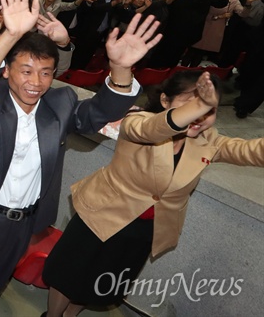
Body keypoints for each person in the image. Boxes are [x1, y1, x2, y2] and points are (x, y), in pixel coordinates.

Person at [0, 0, 162, 317]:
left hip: (20, 224)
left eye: (45, 73)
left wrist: (121, 69)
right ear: (7, 71)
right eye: (25, 71)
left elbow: (97, 113)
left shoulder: (59, 103)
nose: (35, 82)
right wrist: (11, 33)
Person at [43, 70, 264, 316]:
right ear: (166, 102)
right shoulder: (141, 122)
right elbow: (155, 128)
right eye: (191, 104)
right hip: (102, 215)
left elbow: (250, 151)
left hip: (144, 231)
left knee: (98, 283)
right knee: (69, 273)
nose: (200, 115)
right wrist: (200, 104)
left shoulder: (208, 141)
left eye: (208, 110)